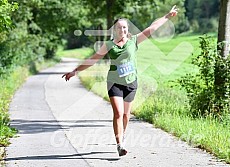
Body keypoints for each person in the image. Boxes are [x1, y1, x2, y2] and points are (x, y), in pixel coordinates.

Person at [62, 5, 178, 156]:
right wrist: (75, 71)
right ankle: (120, 144)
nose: (122, 30)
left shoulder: (134, 41)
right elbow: (93, 59)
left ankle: (122, 136)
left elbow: (152, 27)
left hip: (131, 83)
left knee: (125, 115)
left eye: (124, 28)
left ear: (127, 29)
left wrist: (167, 16)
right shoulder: (109, 45)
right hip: (114, 82)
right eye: (119, 28)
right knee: (118, 113)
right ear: (114, 30)